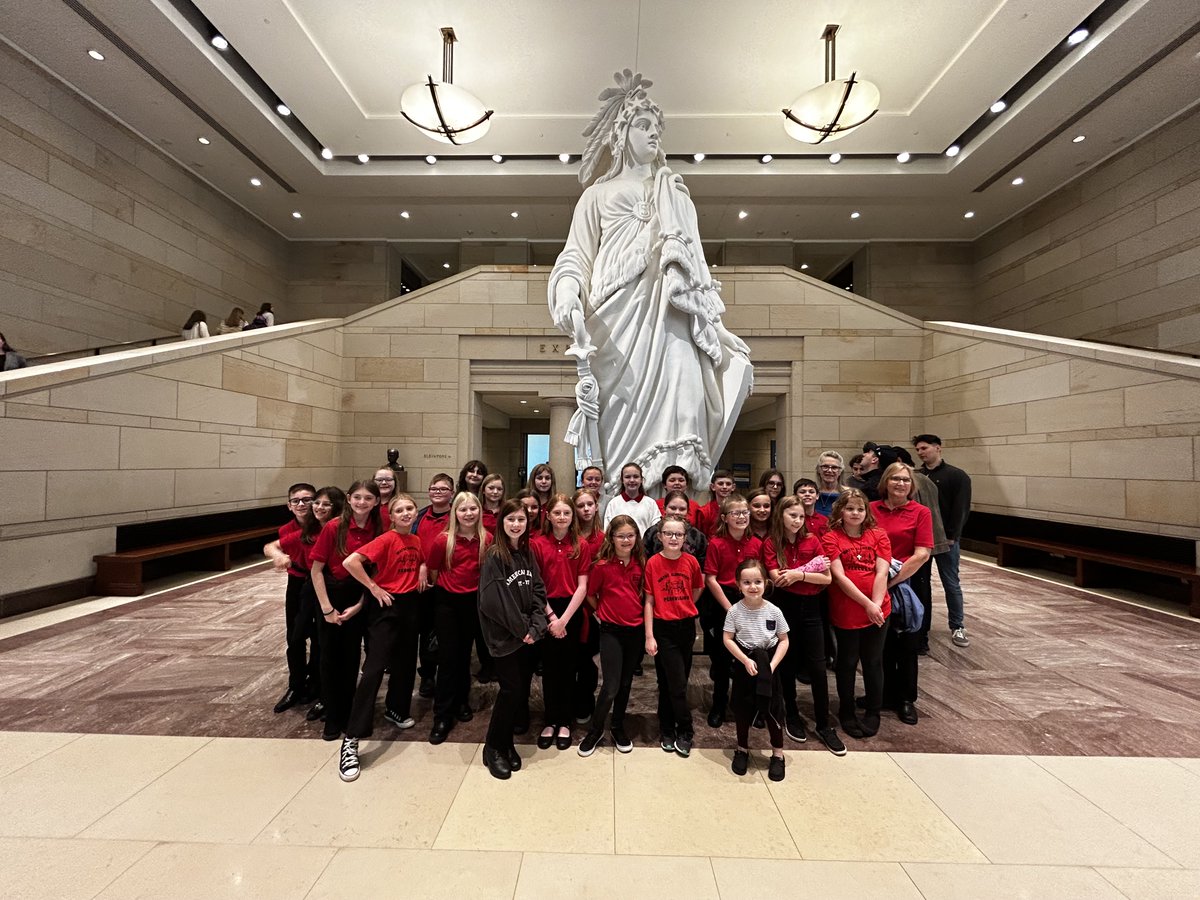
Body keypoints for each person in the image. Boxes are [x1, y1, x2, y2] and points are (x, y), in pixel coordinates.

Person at [548, 70, 752, 493]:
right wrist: (568, 289)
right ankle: (616, 512)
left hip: (671, 315)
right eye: (643, 126)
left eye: (657, 128)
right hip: (615, 322)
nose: (653, 134)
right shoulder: (596, 196)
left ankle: (672, 514)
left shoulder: (674, 192)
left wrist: (717, 329)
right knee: (619, 412)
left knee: (683, 404)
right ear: (622, 134)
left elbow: (695, 268)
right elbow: (576, 254)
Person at [337, 493, 425, 782]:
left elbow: (419, 562)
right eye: (399, 510)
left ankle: (396, 709)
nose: (405, 513)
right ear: (392, 515)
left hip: (410, 604)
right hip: (387, 606)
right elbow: (352, 562)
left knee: (405, 662)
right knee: (374, 668)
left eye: (410, 509)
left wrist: (422, 570)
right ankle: (352, 737)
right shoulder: (386, 539)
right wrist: (373, 588)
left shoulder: (415, 540)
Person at [764, 496, 845, 756]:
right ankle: (793, 716)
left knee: (818, 667)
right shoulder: (771, 543)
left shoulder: (812, 540)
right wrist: (809, 573)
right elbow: (778, 579)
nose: (798, 521)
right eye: (792, 516)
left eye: (800, 516)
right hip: (785, 608)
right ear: (781, 516)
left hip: (811, 609)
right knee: (787, 665)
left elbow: (827, 576)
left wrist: (798, 573)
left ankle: (823, 723)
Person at [477, 499, 548, 779]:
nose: (516, 524)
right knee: (510, 691)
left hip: (527, 636)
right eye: (511, 520)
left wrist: (538, 624)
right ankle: (493, 747)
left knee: (517, 692)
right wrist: (523, 629)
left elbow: (538, 589)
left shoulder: (527, 553)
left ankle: (505, 744)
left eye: (521, 519)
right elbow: (494, 602)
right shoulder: (495, 555)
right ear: (501, 523)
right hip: (505, 638)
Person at [309, 480, 380, 741]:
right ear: (349, 499)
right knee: (329, 657)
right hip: (330, 593)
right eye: (357, 497)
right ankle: (332, 713)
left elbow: (372, 572)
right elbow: (316, 570)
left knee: (351, 657)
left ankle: (348, 710)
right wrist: (327, 609)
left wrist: (360, 605)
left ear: (376, 502)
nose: (362, 503)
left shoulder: (377, 529)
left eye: (368, 498)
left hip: (358, 595)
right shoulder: (334, 527)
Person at [822, 490, 891, 740]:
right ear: (840, 510)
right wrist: (866, 604)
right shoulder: (831, 538)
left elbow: (882, 572)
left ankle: (873, 710)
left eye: (860, 509)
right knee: (847, 662)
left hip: (878, 609)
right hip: (847, 609)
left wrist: (875, 604)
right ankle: (847, 710)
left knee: (873, 661)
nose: (855, 513)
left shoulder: (878, 535)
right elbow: (839, 576)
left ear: (866, 512)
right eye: (850, 508)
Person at [423, 491, 491, 745]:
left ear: (479, 511)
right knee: (448, 659)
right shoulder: (443, 541)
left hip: (474, 604)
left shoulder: (487, 539)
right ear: (455, 513)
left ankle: (462, 701)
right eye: (463, 510)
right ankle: (442, 714)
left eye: (473, 508)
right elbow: (432, 571)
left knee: (465, 656)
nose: (468, 513)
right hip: (447, 604)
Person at [577, 515, 645, 757]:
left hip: (635, 631)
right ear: (612, 538)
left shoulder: (642, 563)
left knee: (626, 683)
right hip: (611, 632)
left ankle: (617, 725)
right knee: (611, 684)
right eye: (621, 536)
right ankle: (596, 729)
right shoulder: (602, 566)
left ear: (636, 538)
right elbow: (591, 594)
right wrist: (602, 614)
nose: (626, 540)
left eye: (630, 535)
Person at [872, 462, 933, 726]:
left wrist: (892, 580)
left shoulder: (920, 512)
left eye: (905, 480)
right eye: (895, 479)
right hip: (875, 582)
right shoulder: (872, 509)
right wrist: (879, 581)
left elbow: (922, 553)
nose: (900, 484)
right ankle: (883, 694)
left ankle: (906, 699)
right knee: (880, 643)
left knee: (907, 644)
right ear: (886, 482)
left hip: (906, 584)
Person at [530, 494, 591, 750]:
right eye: (558, 513)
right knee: (550, 669)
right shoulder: (536, 543)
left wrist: (564, 619)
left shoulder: (580, 544)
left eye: (567, 513)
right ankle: (550, 720)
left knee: (568, 668)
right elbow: (536, 583)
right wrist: (552, 617)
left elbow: (583, 585)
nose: (562, 517)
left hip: (572, 610)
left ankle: (565, 721)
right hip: (545, 609)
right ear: (549, 516)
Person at [723, 559, 790, 781]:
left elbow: (784, 640)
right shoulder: (734, 611)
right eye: (747, 582)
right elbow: (728, 639)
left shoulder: (774, 611)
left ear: (766, 583)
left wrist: (771, 666)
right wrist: (743, 659)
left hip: (769, 662)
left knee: (773, 708)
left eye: (758, 581)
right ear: (738, 584)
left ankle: (777, 754)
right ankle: (742, 748)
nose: (753, 586)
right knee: (742, 707)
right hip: (746, 663)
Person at [644, 517, 703, 757]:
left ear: (685, 537)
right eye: (668, 533)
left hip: (685, 628)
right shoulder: (653, 564)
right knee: (676, 683)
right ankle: (685, 730)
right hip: (663, 628)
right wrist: (649, 635)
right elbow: (648, 601)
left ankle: (667, 727)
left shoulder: (691, 562)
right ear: (660, 537)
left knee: (671, 681)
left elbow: (697, 589)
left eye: (678, 534)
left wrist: (685, 606)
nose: (673, 538)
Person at [702, 494, 761, 728]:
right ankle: (718, 705)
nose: (741, 517)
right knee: (722, 658)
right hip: (724, 602)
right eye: (736, 513)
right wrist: (731, 611)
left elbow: (759, 578)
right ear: (725, 518)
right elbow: (711, 579)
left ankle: (748, 706)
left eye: (745, 512)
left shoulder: (755, 543)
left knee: (749, 655)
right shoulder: (716, 543)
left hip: (750, 600)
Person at [263, 482, 320, 714]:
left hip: (321, 583)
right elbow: (271, 546)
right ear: (289, 505)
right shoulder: (287, 529)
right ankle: (296, 685)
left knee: (319, 637)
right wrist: (278, 555)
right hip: (297, 583)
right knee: (294, 637)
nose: (301, 504)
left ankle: (316, 682)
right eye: (296, 501)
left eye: (307, 500)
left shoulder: (324, 525)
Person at [913, 434, 972, 648]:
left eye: (924, 448)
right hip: (921, 539)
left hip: (946, 539)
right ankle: (921, 626)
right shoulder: (916, 475)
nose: (920, 452)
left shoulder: (957, 475)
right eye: (918, 449)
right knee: (921, 583)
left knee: (951, 582)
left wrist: (952, 535)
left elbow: (961, 508)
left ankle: (957, 626)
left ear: (938, 448)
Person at [296, 486, 344, 723]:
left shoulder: (339, 529)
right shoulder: (309, 529)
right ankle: (315, 690)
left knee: (331, 647)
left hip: (336, 589)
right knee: (307, 640)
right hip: (314, 590)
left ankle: (333, 697)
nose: (319, 507)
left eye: (326, 504)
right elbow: (279, 545)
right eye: (317, 503)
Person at [413, 474, 455, 699]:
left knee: (447, 631)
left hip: (449, 583)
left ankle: (449, 673)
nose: (438, 492)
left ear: (452, 492)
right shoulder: (419, 517)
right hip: (425, 583)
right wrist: (422, 564)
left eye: (443, 489)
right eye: (434, 488)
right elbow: (411, 544)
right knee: (426, 630)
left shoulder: (457, 516)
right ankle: (427, 674)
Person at [642, 491, 708, 568]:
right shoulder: (651, 533)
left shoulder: (698, 536)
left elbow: (701, 569)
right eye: (673, 508)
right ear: (664, 509)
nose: (677, 512)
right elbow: (644, 563)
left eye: (682, 509)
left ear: (688, 511)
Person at [602, 462, 661, 533]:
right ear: (622, 480)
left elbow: (656, 530)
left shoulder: (650, 503)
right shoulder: (613, 504)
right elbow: (608, 531)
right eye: (627, 477)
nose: (632, 480)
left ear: (641, 480)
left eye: (636, 476)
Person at [695, 469, 737, 537]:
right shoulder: (704, 512)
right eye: (720, 484)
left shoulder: (740, 510)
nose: (724, 487)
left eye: (728, 484)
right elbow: (701, 538)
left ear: (733, 487)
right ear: (713, 487)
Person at [814, 451, 846, 517]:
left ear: (840, 471)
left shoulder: (848, 494)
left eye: (834, 467)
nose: (829, 470)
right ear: (818, 469)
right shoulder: (811, 494)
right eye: (825, 466)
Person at [372, 467, 398, 533]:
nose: (384, 483)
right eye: (379, 480)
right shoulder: (366, 504)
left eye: (388, 479)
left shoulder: (401, 504)